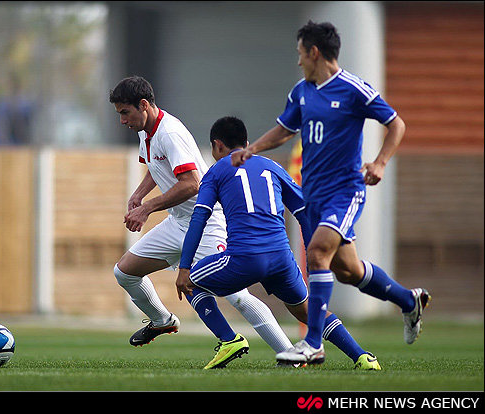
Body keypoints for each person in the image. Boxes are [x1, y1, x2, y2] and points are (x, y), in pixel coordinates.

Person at [231, 21, 431, 365]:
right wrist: (254, 150)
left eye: (299, 54)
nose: (298, 62)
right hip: (314, 194)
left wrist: (380, 163)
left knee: (317, 253)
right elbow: (284, 130)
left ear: (314, 52)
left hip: (345, 191)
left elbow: (395, 123)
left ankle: (313, 343)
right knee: (348, 271)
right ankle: (408, 300)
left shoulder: (353, 89)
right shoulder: (301, 91)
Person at [109, 76, 296, 357]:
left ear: (144, 105)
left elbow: (192, 184)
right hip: (177, 222)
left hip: (205, 222)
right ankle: (162, 321)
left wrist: (147, 208)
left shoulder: (169, 133)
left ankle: (289, 353)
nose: (123, 120)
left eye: (125, 112)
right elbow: (156, 165)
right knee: (124, 272)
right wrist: (139, 194)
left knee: (237, 296)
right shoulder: (145, 132)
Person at [176, 116, 381, 370]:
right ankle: (362, 357)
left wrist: (184, 267)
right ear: (247, 143)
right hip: (281, 259)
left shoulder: (216, 171)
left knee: (190, 281)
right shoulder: (271, 166)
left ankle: (229, 340)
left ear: (217, 146)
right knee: (307, 310)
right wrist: (311, 257)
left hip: (244, 258)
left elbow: (199, 218)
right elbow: (304, 210)